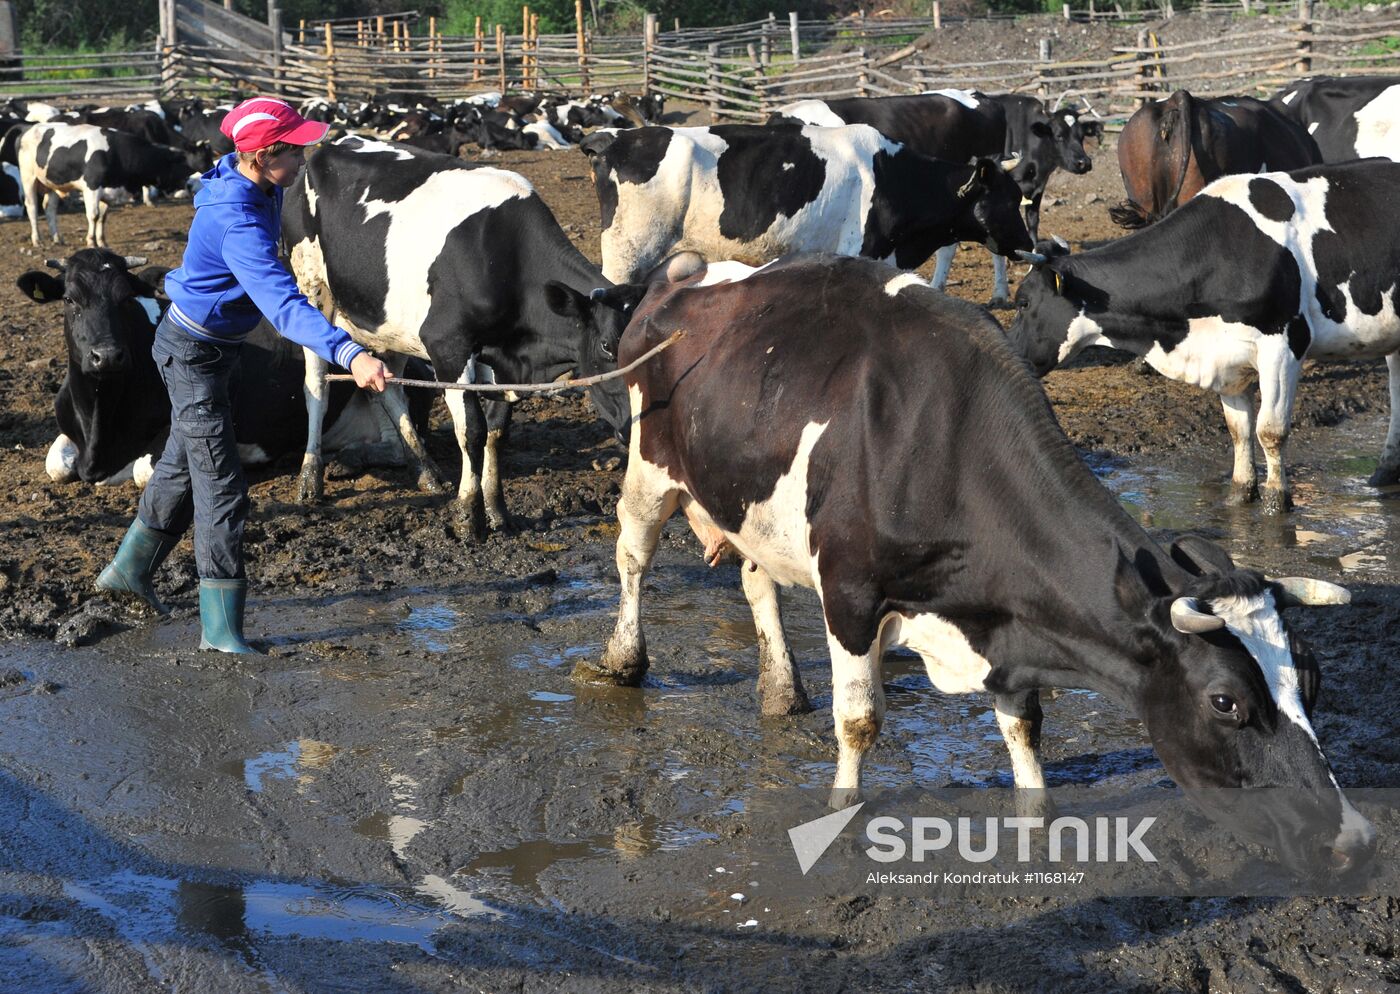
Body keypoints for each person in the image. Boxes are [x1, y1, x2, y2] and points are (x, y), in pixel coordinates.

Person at [95, 97, 391, 654]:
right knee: (223, 487)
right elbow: (282, 306)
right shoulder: (236, 220)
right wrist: (350, 354)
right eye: (295, 148)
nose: (305, 155)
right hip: (193, 355)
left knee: (183, 464)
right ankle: (221, 629)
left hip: (215, 348)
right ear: (262, 155)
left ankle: (127, 571)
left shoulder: (262, 185)